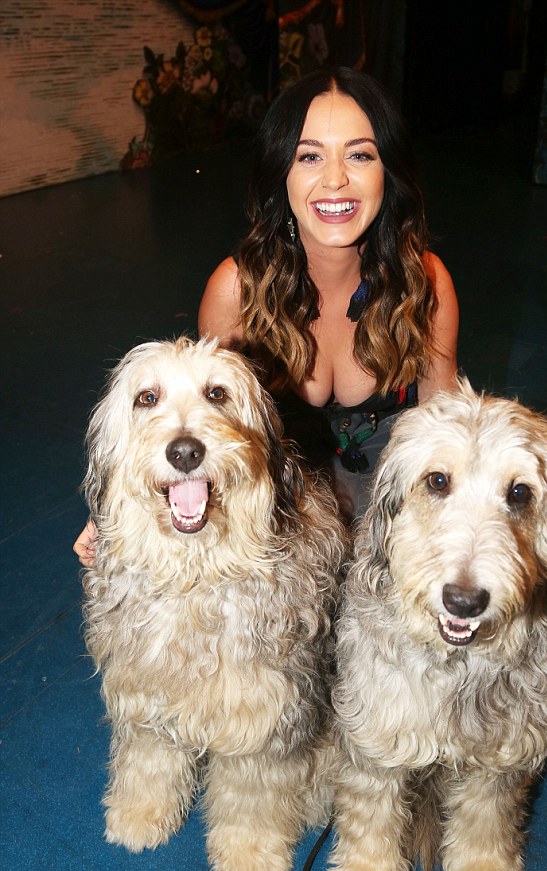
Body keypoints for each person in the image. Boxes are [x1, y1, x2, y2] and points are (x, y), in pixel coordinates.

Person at [74, 66, 458, 564]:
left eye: (360, 154)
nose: (336, 178)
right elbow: (207, 420)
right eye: (310, 156)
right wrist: (113, 506)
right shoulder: (235, 290)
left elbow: (447, 429)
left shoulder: (424, 281)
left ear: (389, 170)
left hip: (392, 502)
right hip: (286, 507)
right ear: (282, 172)